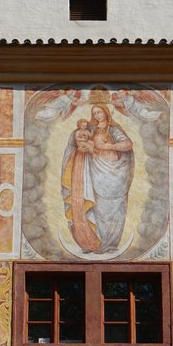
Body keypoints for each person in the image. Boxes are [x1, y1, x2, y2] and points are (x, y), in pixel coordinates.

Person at [61, 103, 134, 253]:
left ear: (106, 113)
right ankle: (90, 241)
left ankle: (109, 243)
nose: (97, 116)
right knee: (92, 204)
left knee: (112, 208)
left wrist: (108, 147)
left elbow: (127, 144)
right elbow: (77, 143)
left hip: (112, 173)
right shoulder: (90, 130)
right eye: (94, 113)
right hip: (92, 171)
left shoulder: (113, 130)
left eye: (99, 112)